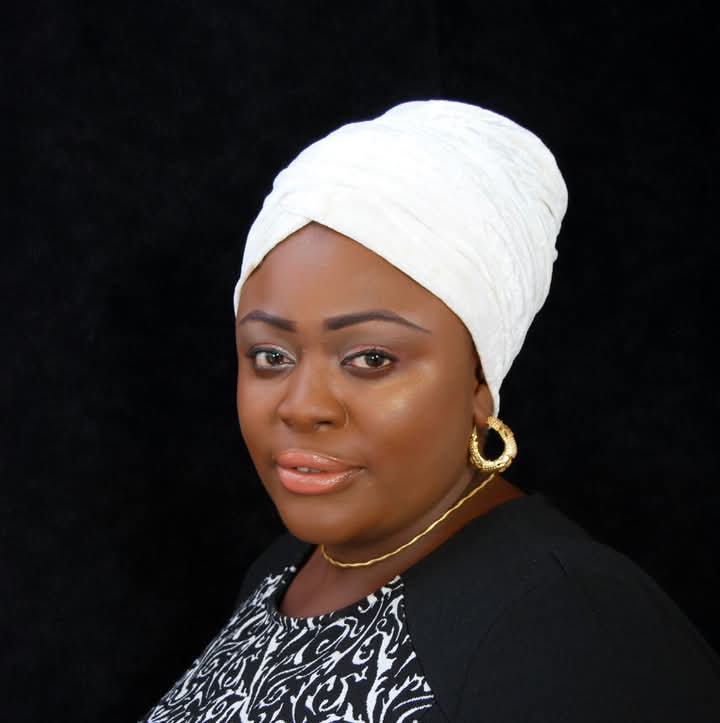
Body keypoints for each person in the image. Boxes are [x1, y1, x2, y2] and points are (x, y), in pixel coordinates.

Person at [140, 101, 720, 722]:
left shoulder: (570, 625)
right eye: (271, 355)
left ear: (479, 379)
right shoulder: (287, 567)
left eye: (369, 358)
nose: (303, 406)